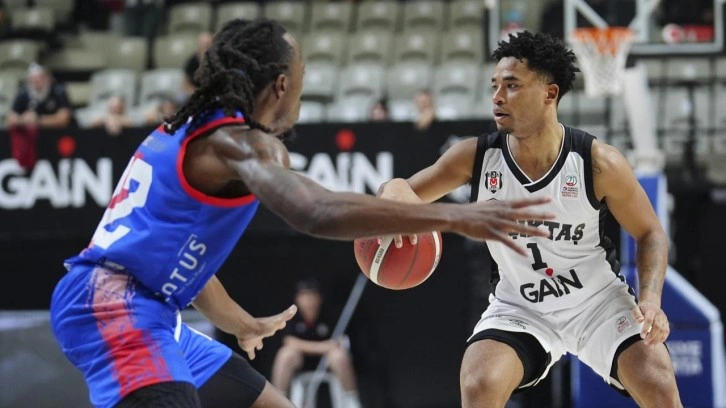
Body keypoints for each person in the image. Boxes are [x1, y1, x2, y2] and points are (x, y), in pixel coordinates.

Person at [48, 18, 554, 408]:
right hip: (113, 306)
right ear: (281, 85)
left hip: (150, 308)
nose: (303, 89)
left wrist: (240, 323)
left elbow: (183, 259)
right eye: (302, 77)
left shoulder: (193, 129)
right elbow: (314, 212)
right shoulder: (237, 143)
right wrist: (454, 217)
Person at [377, 31, 682, 408]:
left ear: (549, 94)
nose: (497, 96)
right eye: (494, 85)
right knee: (479, 381)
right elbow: (400, 190)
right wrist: (394, 193)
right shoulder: (475, 157)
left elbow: (651, 232)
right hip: (521, 307)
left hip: (598, 304)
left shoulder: (597, 162)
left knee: (658, 381)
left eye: (512, 85)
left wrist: (650, 300)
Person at [272, 279, 361, 407]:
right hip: (300, 361)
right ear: (298, 299)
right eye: (305, 296)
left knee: (339, 355)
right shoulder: (291, 315)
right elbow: (289, 341)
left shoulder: (329, 314)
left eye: (312, 295)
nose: (308, 300)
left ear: (319, 298)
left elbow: (340, 341)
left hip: (327, 361)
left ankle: (351, 400)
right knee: (285, 354)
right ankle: (277, 401)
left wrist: (332, 346)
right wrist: (323, 347)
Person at [6, 63, 72, 170]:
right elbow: (11, 117)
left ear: (48, 78)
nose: (37, 82)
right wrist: (23, 120)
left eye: (40, 78)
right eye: (33, 79)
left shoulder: (58, 91)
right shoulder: (23, 93)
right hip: (34, 145)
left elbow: (64, 119)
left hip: (58, 141)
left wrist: (38, 120)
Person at [183, 31, 214, 97]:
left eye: (207, 44)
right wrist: (196, 94)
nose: (205, 47)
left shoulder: (218, 61)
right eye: (203, 44)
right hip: (194, 94)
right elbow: (185, 84)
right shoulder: (191, 62)